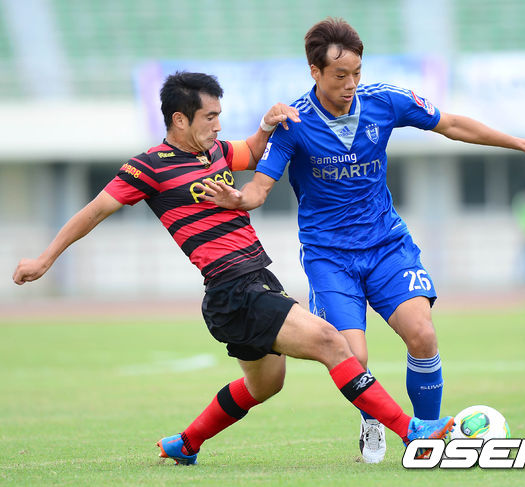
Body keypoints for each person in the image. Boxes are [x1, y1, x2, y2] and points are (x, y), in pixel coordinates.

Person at [12, 71, 454, 466]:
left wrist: (267, 123)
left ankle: (186, 443)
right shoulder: (148, 167)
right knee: (331, 342)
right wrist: (45, 258)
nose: (218, 125)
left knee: (266, 385)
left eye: (220, 116)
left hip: (256, 281)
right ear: (179, 120)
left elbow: (254, 151)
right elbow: (94, 210)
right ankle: (411, 431)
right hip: (234, 289)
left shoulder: (217, 152)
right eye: (210, 117)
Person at [197, 18, 525, 464]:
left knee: (422, 334)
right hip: (329, 257)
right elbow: (259, 189)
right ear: (315, 72)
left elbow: (451, 124)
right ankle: (371, 419)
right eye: (340, 75)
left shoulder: (385, 101)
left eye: (357, 72)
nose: (351, 83)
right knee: (353, 357)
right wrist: (237, 199)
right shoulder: (294, 123)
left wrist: (518, 143)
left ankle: (427, 438)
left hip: (387, 245)